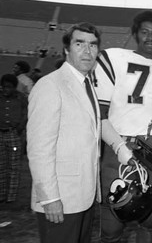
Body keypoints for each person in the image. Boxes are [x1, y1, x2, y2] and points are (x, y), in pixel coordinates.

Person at [94, 10, 152, 243]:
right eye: (144, 32)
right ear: (135, 34)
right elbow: (100, 114)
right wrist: (119, 148)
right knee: (112, 221)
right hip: (119, 143)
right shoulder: (113, 58)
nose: (150, 37)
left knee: (151, 218)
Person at [27, 22, 101, 243]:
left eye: (93, 45)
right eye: (80, 44)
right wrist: (49, 198)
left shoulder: (87, 84)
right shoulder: (50, 85)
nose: (87, 51)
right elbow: (39, 149)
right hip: (60, 198)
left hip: (83, 195)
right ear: (67, 50)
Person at [0, 74, 28, 203]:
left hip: (14, 133)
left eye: (9, 87)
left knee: (14, 166)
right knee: (1, 165)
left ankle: (11, 196)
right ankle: (1, 194)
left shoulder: (21, 98)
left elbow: (26, 114)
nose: (6, 90)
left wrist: (20, 128)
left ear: (14, 87)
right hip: (1, 132)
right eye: (4, 87)